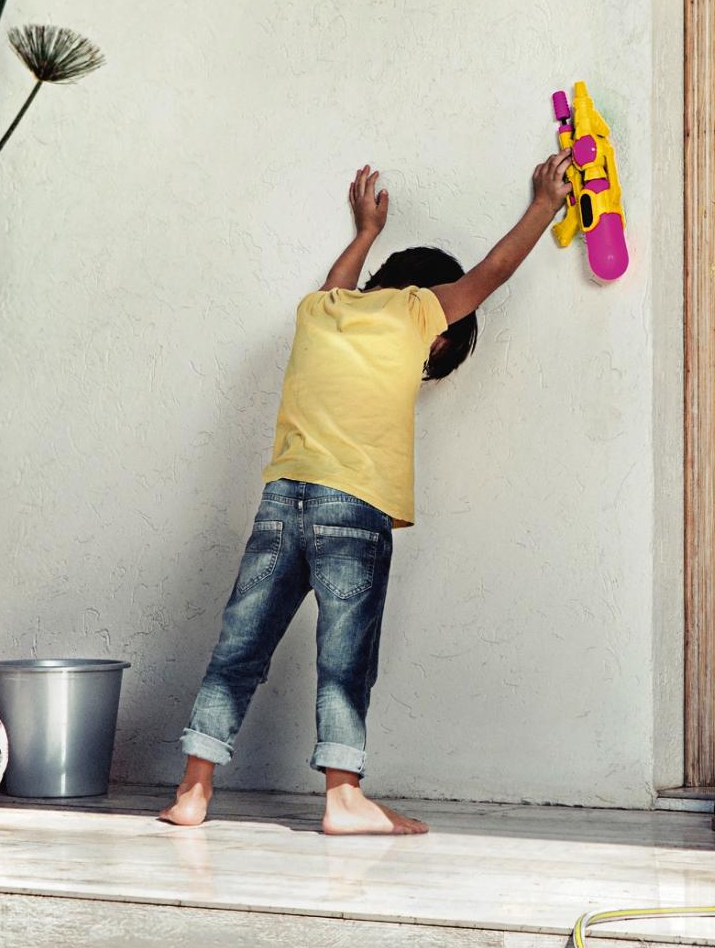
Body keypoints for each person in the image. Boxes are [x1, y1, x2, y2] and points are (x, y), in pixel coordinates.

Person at [161, 153, 576, 835]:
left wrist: (366, 231)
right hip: (352, 508)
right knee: (345, 657)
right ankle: (343, 795)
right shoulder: (418, 313)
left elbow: (338, 282)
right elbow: (492, 272)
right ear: (435, 322)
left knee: (239, 647)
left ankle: (193, 788)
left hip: (280, 503)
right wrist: (543, 203)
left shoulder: (321, 310)